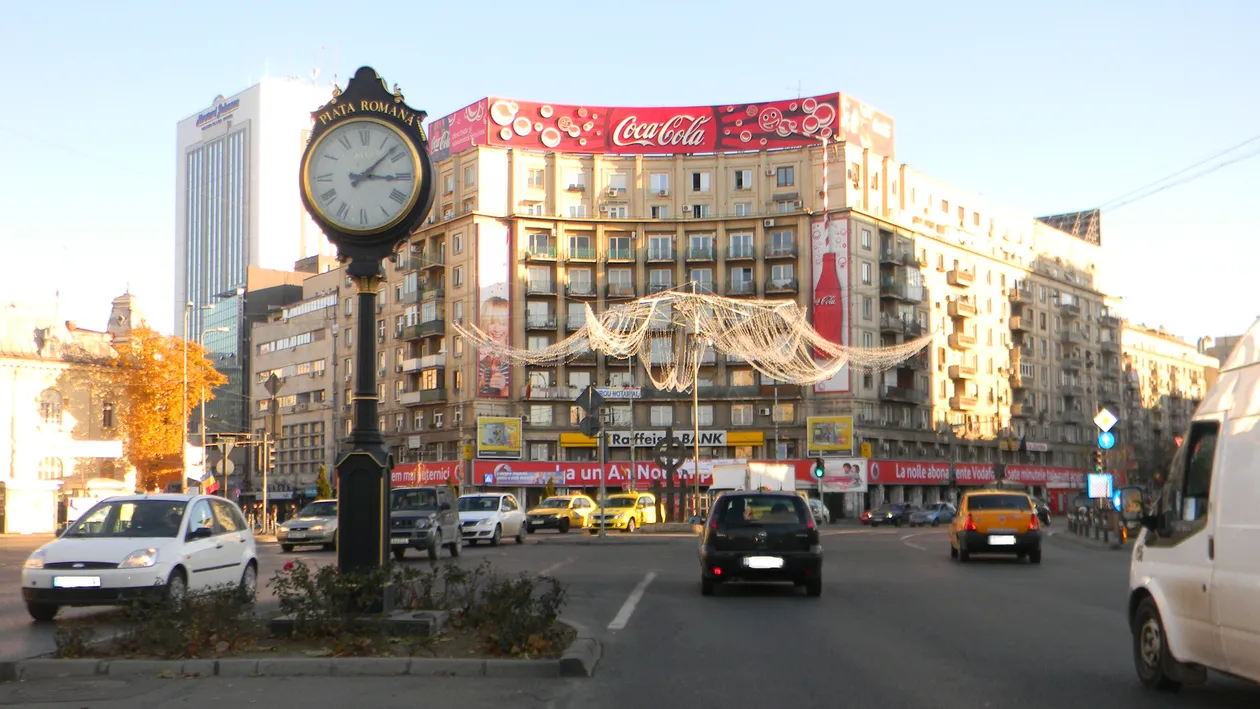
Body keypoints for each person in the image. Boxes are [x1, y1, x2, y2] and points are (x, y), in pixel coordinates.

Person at [478, 296, 510, 396]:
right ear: (484, 324)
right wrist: (477, 360)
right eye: (491, 323)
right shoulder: (480, 355)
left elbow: (518, 398)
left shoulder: (513, 358)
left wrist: (504, 388)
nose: (497, 329)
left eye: (503, 324)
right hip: (481, 409)